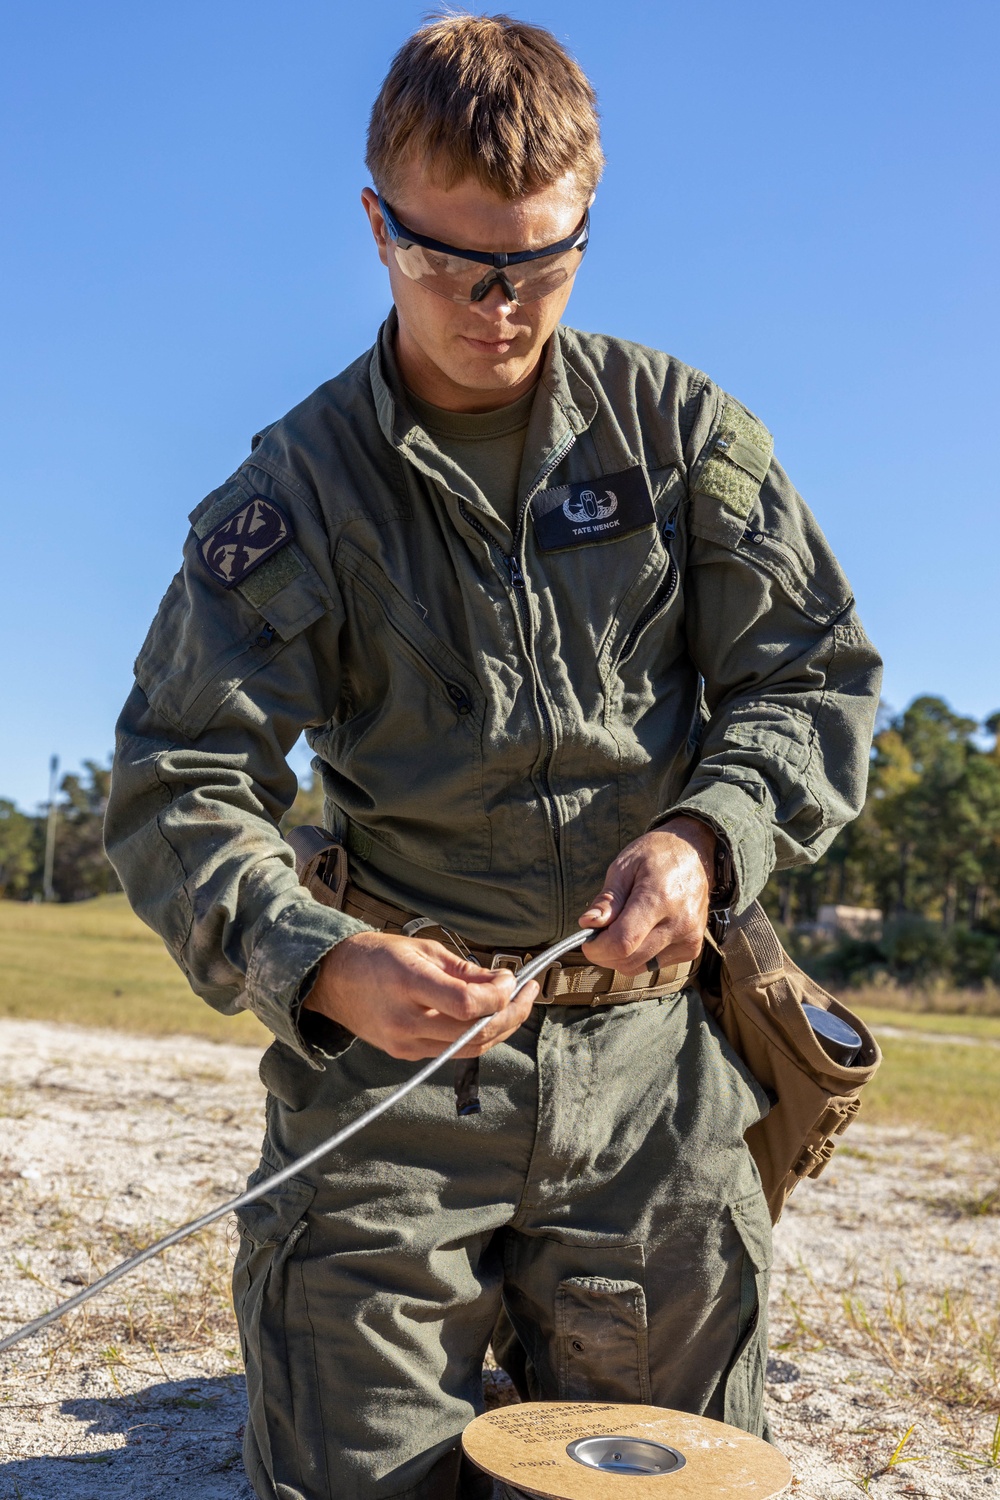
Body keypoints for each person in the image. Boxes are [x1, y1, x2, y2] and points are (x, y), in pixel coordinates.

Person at [105, 14, 881, 1500]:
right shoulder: (298, 490)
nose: (497, 303)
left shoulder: (681, 436)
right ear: (374, 223)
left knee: (675, 1479)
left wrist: (710, 838)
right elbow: (176, 771)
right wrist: (322, 961)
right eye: (449, 259)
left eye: (540, 260)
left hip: (650, 1069)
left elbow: (811, 675)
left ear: (586, 220)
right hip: (400, 1076)